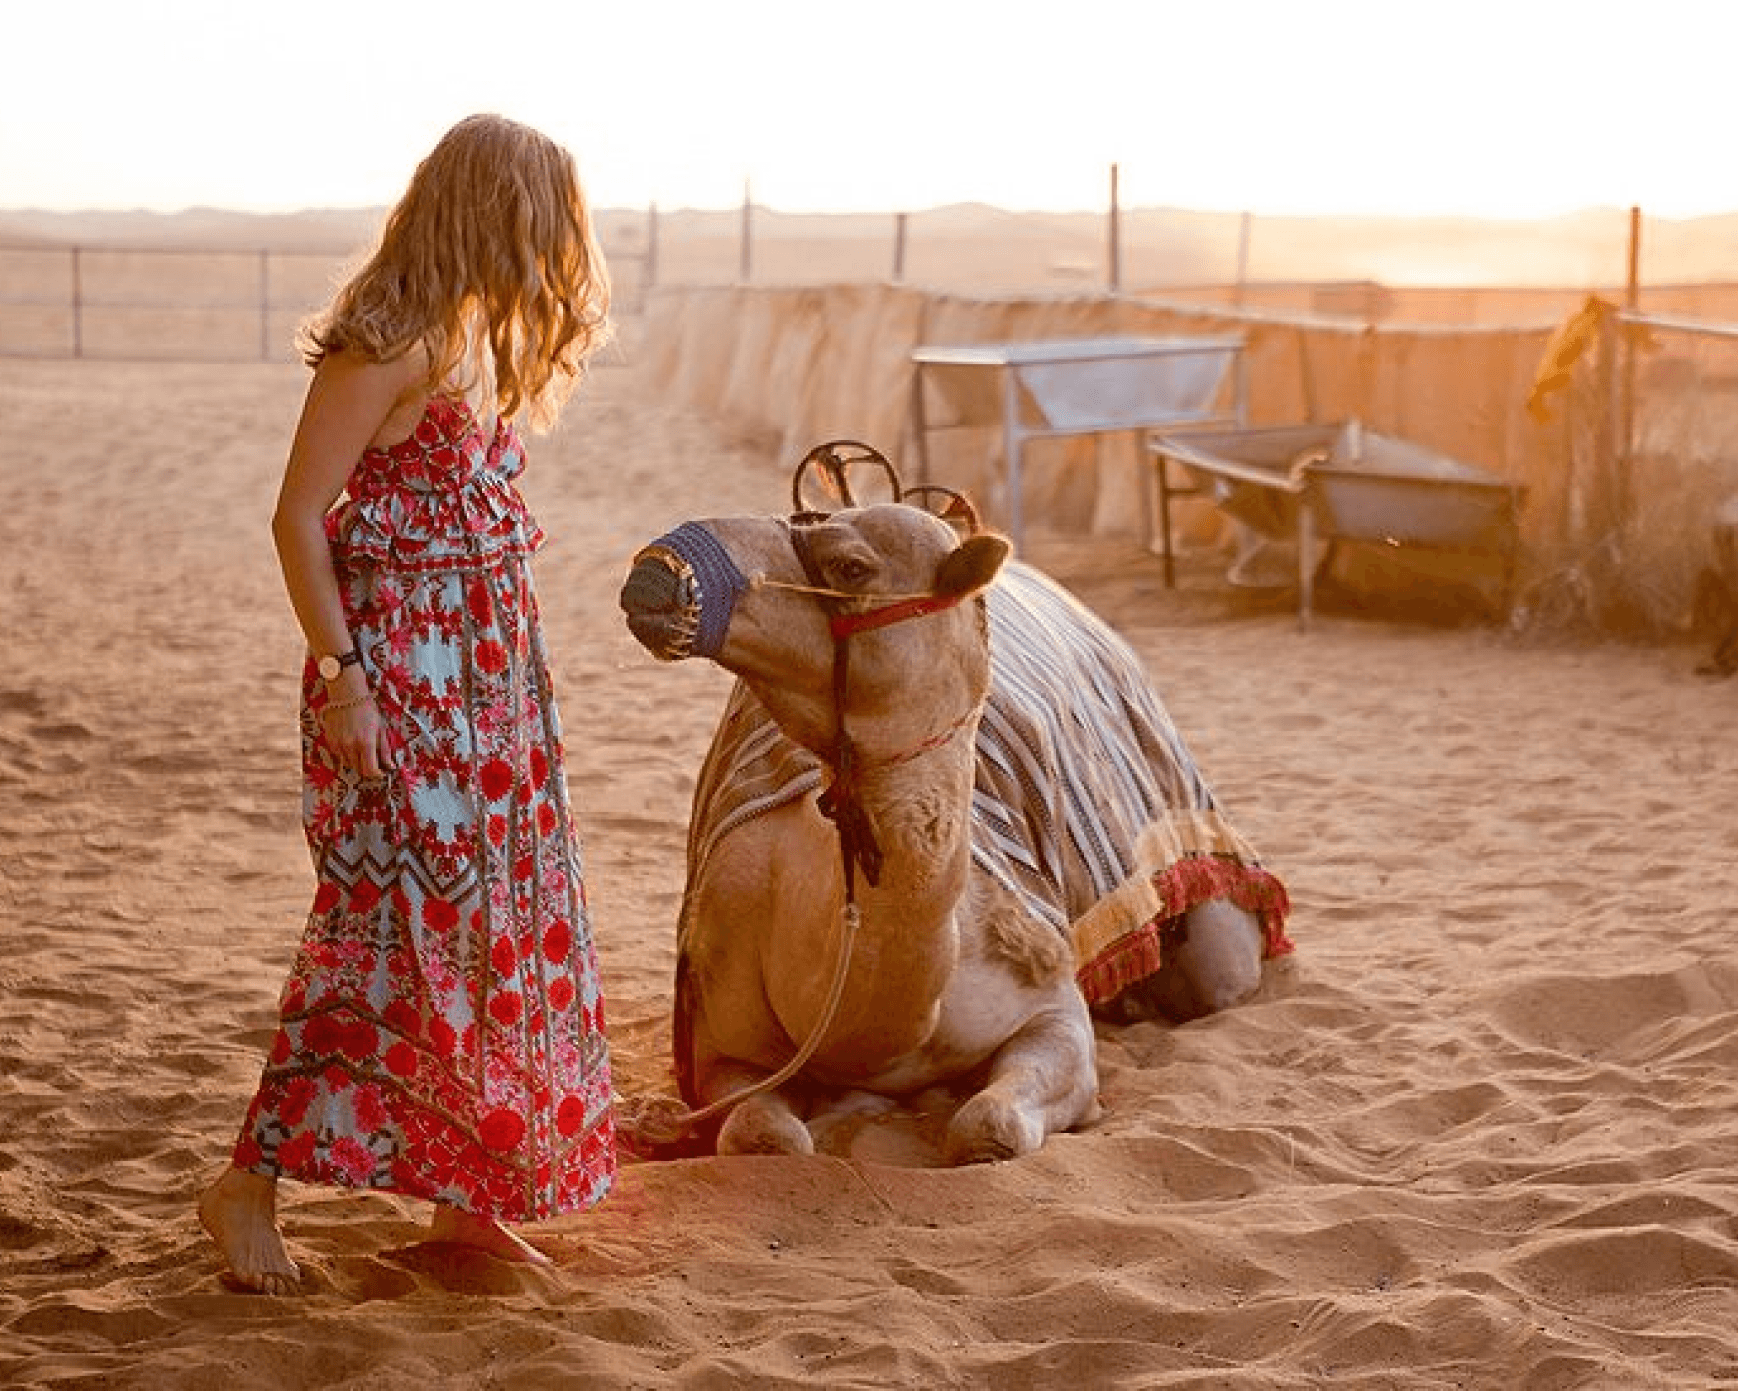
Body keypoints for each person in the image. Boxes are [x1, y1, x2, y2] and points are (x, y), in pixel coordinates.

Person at [199, 114, 617, 1294]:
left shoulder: (462, 335)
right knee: (383, 936)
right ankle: (245, 1185)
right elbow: (297, 517)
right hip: (402, 694)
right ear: (493, 212)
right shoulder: (387, 341)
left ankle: (466, 1203)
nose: (552, 253)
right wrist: (345, 682)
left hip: (489, 705)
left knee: (482, 944)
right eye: (542, 225)